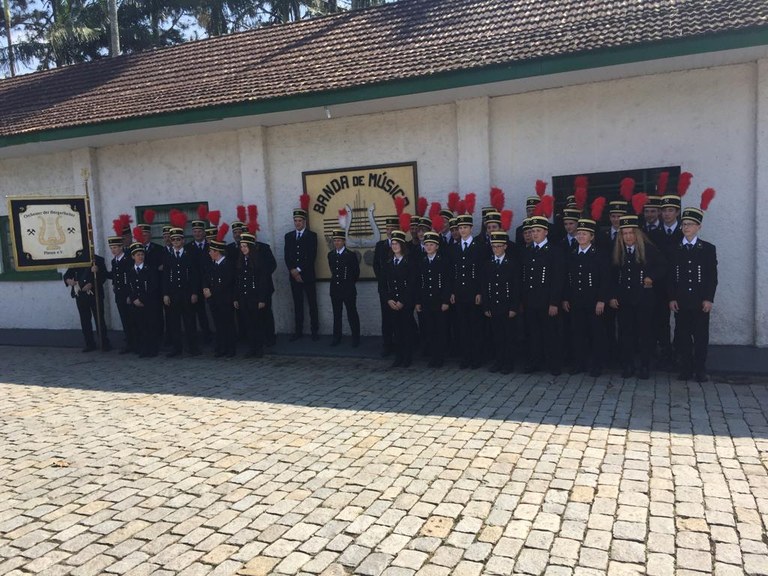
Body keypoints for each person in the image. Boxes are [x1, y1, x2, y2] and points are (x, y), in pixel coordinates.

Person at [609, 214, 664, 379]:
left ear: (637, 234)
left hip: (644, 299)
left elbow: (663, 266)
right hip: (624, 299)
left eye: (631, 233)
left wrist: (651, 277)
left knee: (644, 334)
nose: (627, 236)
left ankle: (644, 366)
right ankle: (628, 365)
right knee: (626, 334)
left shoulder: (648, 249)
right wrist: (612, 296)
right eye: (624, 233)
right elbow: (611, 276)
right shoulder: (618, 250)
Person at [668, 205, 718, 382]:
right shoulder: (675, 249)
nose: (686, 227)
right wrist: (672, 297)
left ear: (699, 227)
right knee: (682, 336)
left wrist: (708, 298)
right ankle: (685, 369)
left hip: (699, 301)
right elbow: (671, 277)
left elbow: (712, 277)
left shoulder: (707, 249)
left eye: (690, 224)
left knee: (700, 337)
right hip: (681, 301)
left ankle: (700, 369)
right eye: (684, 224)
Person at [562, 218, 610, 377]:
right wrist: (566, 298)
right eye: (579, 233)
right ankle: (579, 363)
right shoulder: (572, 254)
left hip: (594, 301)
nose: (581, 236)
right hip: (576, 301)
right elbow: (568, 279)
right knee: (578, 334)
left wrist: (602, 300)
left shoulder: (599, 255)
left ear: (592, 236)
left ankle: (597, 365)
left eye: (584, 234)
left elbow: (605, 279)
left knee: (596, 334)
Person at [520, 216, 565, 375]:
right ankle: (535, 362)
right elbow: (524, 277)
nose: (535, 234)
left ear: (546, 232)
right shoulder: (528, 250)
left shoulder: (554, 251)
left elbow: (558, 278)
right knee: (534, 334)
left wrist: (554, 302)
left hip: (547, 301)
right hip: (531, 300)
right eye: (532, 231)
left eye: (538, 231)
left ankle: (554, 364)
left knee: (550, 334)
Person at [481, 231, 520, 374]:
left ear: (505, 247)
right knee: (497, 336)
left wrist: (513, 307)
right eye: (494, 246)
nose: (496, 249)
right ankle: (499, 361)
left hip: (507, 305)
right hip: (494, 305)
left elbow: (516, 287)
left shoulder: (512, 264)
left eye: (499, 246)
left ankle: (508, 363)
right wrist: (486, 305)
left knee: (508, 336)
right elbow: (485, 287)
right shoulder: (488, 264)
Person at [450, 214, 484, 369]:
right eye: (460, 228)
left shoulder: (479, 246)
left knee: (475, 327)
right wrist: (452, 292)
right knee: (463, 327)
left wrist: (479, 291)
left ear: (471, 228)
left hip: (473, 293)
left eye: (465, 227)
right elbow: (452, 272)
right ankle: (466, 358)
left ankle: (476, 358)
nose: (462, 230)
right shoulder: (455, 248)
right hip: (460, 292)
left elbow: (481, 272)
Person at [162, 226, 201, 357]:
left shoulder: (190, 254)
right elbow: (166, 276)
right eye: (173, 240)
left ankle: (193, 347)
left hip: (187, 293)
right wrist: (166, 294)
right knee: (174, 323)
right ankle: (176, 348)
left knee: (190, 321)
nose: (176, 242)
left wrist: (195, 292)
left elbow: (195, 275)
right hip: (173, 294)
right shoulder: (168, 256)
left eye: (178, 239)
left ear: (183, 240)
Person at [416, 231, 452, 368]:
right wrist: (418, 301)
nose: (429, 247)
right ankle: (433, 356)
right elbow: (419, 283)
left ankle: (441, 357)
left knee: (440, 330)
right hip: (426, 301)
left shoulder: (443, 261)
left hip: (439, 301)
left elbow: (447, 282)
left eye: (431, 245)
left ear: (437, 246)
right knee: (430, 330)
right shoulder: (422, 261)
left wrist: (445, 301)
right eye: (426, 245)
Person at [235, 232, 273, 358]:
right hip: (244, 297)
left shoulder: (259, 261)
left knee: (258, 323)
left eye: (245, 246)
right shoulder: (241, 261)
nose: (243, 248)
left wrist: (262, 299)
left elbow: (263, 282)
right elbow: (238, 281)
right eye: (242, 246)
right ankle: (252, 347)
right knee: (248, 323)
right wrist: (236, 298)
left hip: (255, 297)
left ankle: (259, 348)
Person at [284, 203, 319, 341]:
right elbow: (287, 256)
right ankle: (298, 331)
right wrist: (292, 270)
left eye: (300, 221)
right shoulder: (289, 236)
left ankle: (314, 331)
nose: (297, 223)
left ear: (304, 222)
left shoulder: (311, 236)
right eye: (295, 221)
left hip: (307, 275)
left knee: (312, 304)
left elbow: (311, 256)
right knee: (297, 304)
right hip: (293, 276)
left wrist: (298, 270)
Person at [383, 230, 417, 367]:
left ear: (403, 245)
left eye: (397, 243)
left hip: (405, 302)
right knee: (396, 331)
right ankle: (399, 357)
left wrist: (402, 301)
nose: (395, 246)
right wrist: (388, 299)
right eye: (393, 243)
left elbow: (412, 283)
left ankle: (407, 357)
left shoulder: (409, 262)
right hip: (392, 302)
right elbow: (384, 284)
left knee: (406, 330)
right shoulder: (389, 262)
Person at [63, 255, 111, 352]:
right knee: (85, 320)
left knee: (99, 319)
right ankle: (89, 343)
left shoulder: (98, 260)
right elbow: (67, 275)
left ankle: (104, 342)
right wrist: (69, 281)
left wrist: (93, 284)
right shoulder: (76, 260)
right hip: (81, 295)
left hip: (95, 294)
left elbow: (103, 276)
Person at [203, 233, 236, 357]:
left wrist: (212, 291)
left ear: (217, 252)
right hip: (214, 300)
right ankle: (221, 347)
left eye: (211, 251)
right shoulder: (212, 264)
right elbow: (207, 277)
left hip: (225, 300)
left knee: (228, 324)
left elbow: (227, 283)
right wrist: (206, 287)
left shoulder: (227, 264)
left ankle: (230, 348)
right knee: (218, 325)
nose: (209, 253)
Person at [126, 242, 160, 358]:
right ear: (133, 257)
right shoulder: (130, 271)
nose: (140, 256)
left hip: (149, 302)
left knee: (151, 326)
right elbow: (129, 287)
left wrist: (142, 299)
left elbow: (153, 286)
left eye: (142, 254)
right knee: (140, 326)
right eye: (138, 255)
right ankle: (143, 348)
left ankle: (152, 349)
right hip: (136, 303)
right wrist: (134, 298)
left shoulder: (149, 269)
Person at [328, 229, 360, 347]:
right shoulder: (331, 255)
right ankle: (337, 337)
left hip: (348, 289)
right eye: (335, 240)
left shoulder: (350, 255)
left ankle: (356, 338)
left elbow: (356, 273)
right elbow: (332, 269)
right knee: (337, 314)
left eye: (339, 240)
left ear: (344, 241)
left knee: (352, 314)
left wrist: (348, 284)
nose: (336, 243)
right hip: (335, 289)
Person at [373, 216, 399, 356]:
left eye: (392, 229)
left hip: (399, 288)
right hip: (385, 288)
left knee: (399, 319)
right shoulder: (380, 245)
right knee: (386, 318)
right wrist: (383, 280)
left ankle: (401, 344)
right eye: (388, 229)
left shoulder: (403, 245)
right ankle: (387, 345)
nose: (389, 231)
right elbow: (376, 265)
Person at [186, 219, 214, 343]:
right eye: (195, 231)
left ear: (204, 232)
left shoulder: (210, 246)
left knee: (214, 310)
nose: (197, 234)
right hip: (195, 285)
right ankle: (204, 336)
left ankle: (217, 336)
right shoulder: (188, 247)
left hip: (210, 284)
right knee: (199, 312)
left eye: (200, 231)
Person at [105, 232, 134, 354]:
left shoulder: (127, 260)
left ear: (121, 247)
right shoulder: (114, 261)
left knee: (132, 320)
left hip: (127, 293)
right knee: (124, 319)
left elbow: (130, 278)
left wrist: (130, 295)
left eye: (115, 247)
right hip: (119, 293)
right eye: (111, 248)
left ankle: (135, 343)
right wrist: (101, 271)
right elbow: (114, 275)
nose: (113, 250)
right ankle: (129, 343)